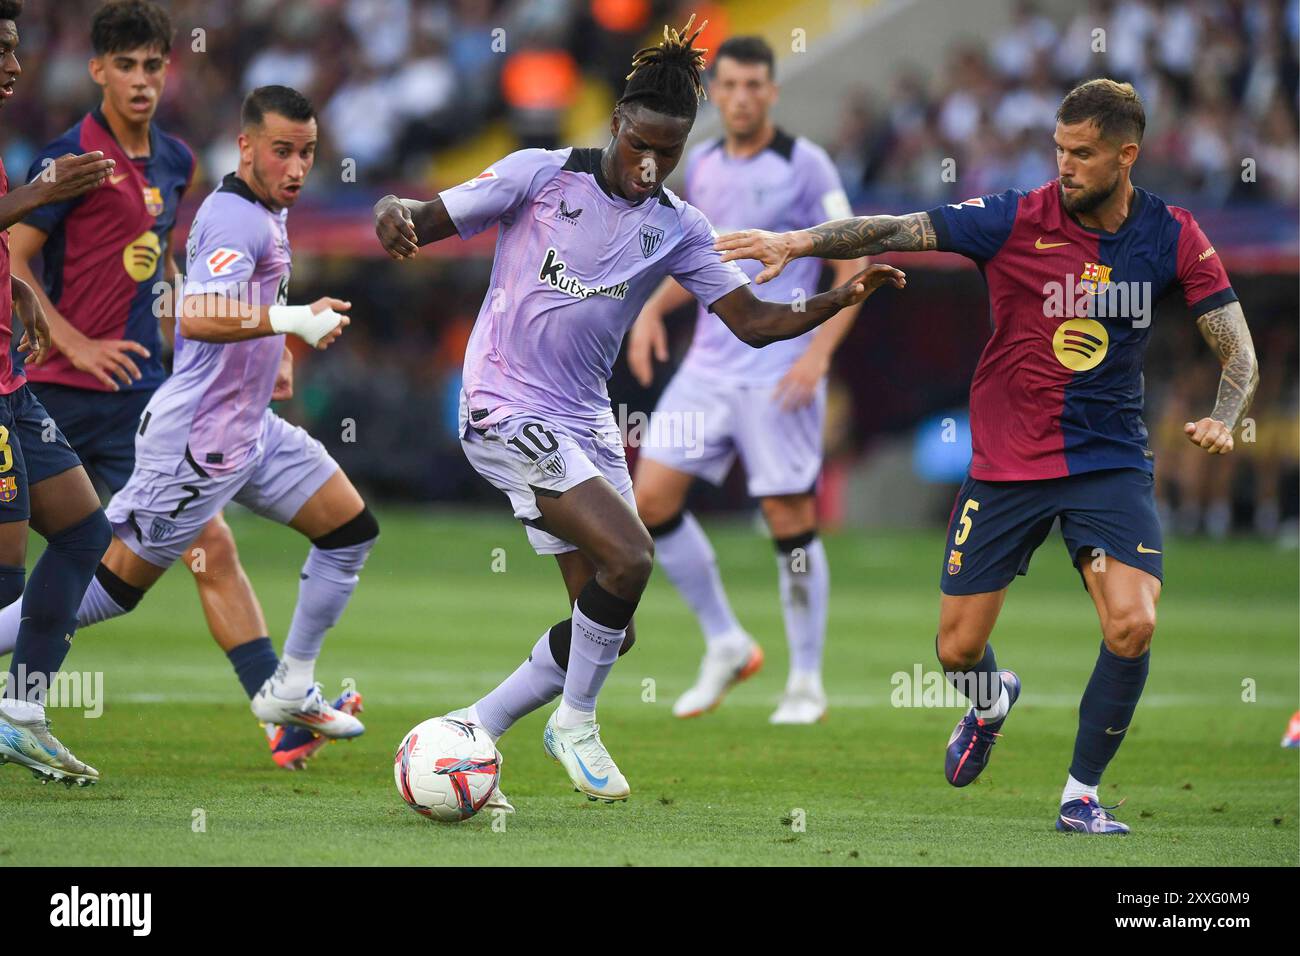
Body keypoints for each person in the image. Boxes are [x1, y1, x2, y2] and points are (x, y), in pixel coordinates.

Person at [374, 16, 903, 803]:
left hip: (583, 418)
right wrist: (393, 210)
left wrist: (840, 296)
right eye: (640, 144)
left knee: (610, 630)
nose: (651, 165)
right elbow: (420, 215)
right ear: (615, 122)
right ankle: (576, 725)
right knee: (632, 557)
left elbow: (755, 324)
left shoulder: (680, 226)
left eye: (671, 151)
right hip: (500, 404)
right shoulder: (540, 174)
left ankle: (472, 727)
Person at [715, 78, 1257, 834]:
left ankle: (1081, 796)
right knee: (956, 648)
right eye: (1059, 150)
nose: (1064, 166)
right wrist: (794, 242)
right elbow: (900, 227)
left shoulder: (1173, 235)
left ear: (1127, 155)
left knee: (1132, 624)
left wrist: (1226, 418)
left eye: (1083, 154)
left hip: (1107, 465)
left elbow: (1238, 351)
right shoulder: (1012, 219)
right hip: (1006, 464)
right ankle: (990, 700)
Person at [1, 0, 356, 772]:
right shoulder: (70, 158)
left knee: (193, 549)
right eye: (124, 65)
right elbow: (13, 254)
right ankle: (273, 705)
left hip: (140, 389)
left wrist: (250, 340)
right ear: (96, 69)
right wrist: (74, 340)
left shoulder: (175, 162)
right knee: (107, 561)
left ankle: (276, 710)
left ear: (169, 69)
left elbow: (171, 267)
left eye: (152, 65)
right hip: (60, 387)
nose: (140, 81)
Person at [627, 35, 867, 724]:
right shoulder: (698, 163)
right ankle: (727, 641)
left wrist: (818, 355)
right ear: (715, 92)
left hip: (777, 367)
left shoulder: (805, 163)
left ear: (772, 92)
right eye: (727, 86)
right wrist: (650, 311)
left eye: (753, 86)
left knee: (788, 522)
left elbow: (851, 264)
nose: (739, 98)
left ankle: (806, 681)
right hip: (708, 365)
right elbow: (700, 262)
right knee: (651, 502)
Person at [0, 0, 118, 786]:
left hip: (11, 379)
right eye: (1, 50)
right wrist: (40, 193)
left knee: (82, 534)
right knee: (4, 573)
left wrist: (23, 291)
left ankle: (23, 710)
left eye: (15, 50)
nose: (14, 65)